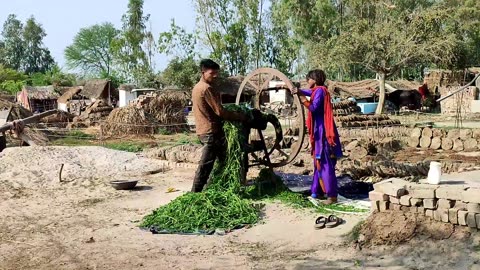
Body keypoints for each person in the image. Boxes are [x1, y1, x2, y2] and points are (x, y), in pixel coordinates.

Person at [191, 59, 248, 192]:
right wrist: (240, 116)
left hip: (203, 131)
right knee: (205, 165)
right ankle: (195, 193)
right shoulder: (206, 88)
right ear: (203, 72)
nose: (215, 76)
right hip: (210, 132)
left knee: (222, 160)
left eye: (217, 73)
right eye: (212, 73)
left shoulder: (196, 87)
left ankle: (214, 187)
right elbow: (220, 111)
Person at [290, 69, 343, 205]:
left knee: (324, 164)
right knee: (318, 163)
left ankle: (332, 196)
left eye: (309, 79)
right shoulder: (317, 91)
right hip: (318, 133)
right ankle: (316, 192)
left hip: (323, 133)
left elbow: (314, 107)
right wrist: (295, 90)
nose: (307, 81)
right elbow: (307, 92)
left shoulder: (320, 91)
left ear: (315, 79)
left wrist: (303, 100)